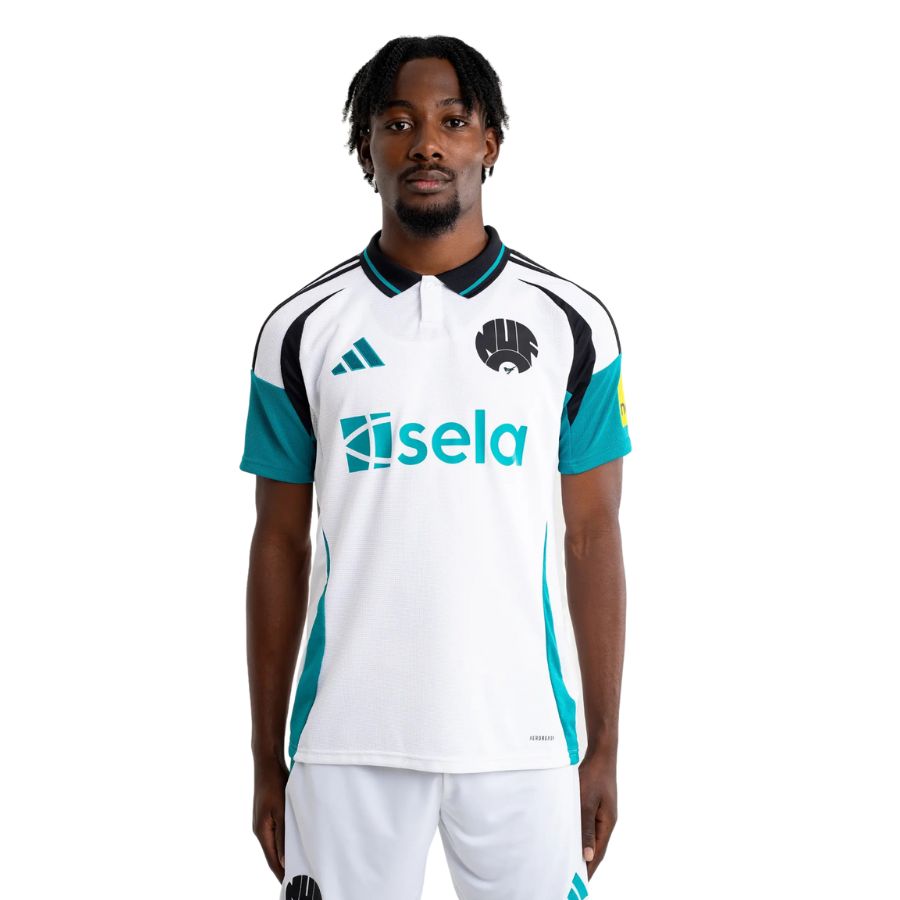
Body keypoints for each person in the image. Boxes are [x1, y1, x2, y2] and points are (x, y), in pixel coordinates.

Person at [240, 34, 632, 900]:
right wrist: (266, 757)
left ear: (489, 143)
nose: (426, 144)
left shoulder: (571, 324)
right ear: (366, 149)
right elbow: (277, 546)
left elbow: (592, 537)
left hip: (524, 740)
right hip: (345, 743)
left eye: (453, 122)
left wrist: (603, 746)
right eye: (398, 123)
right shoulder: (301, 330)